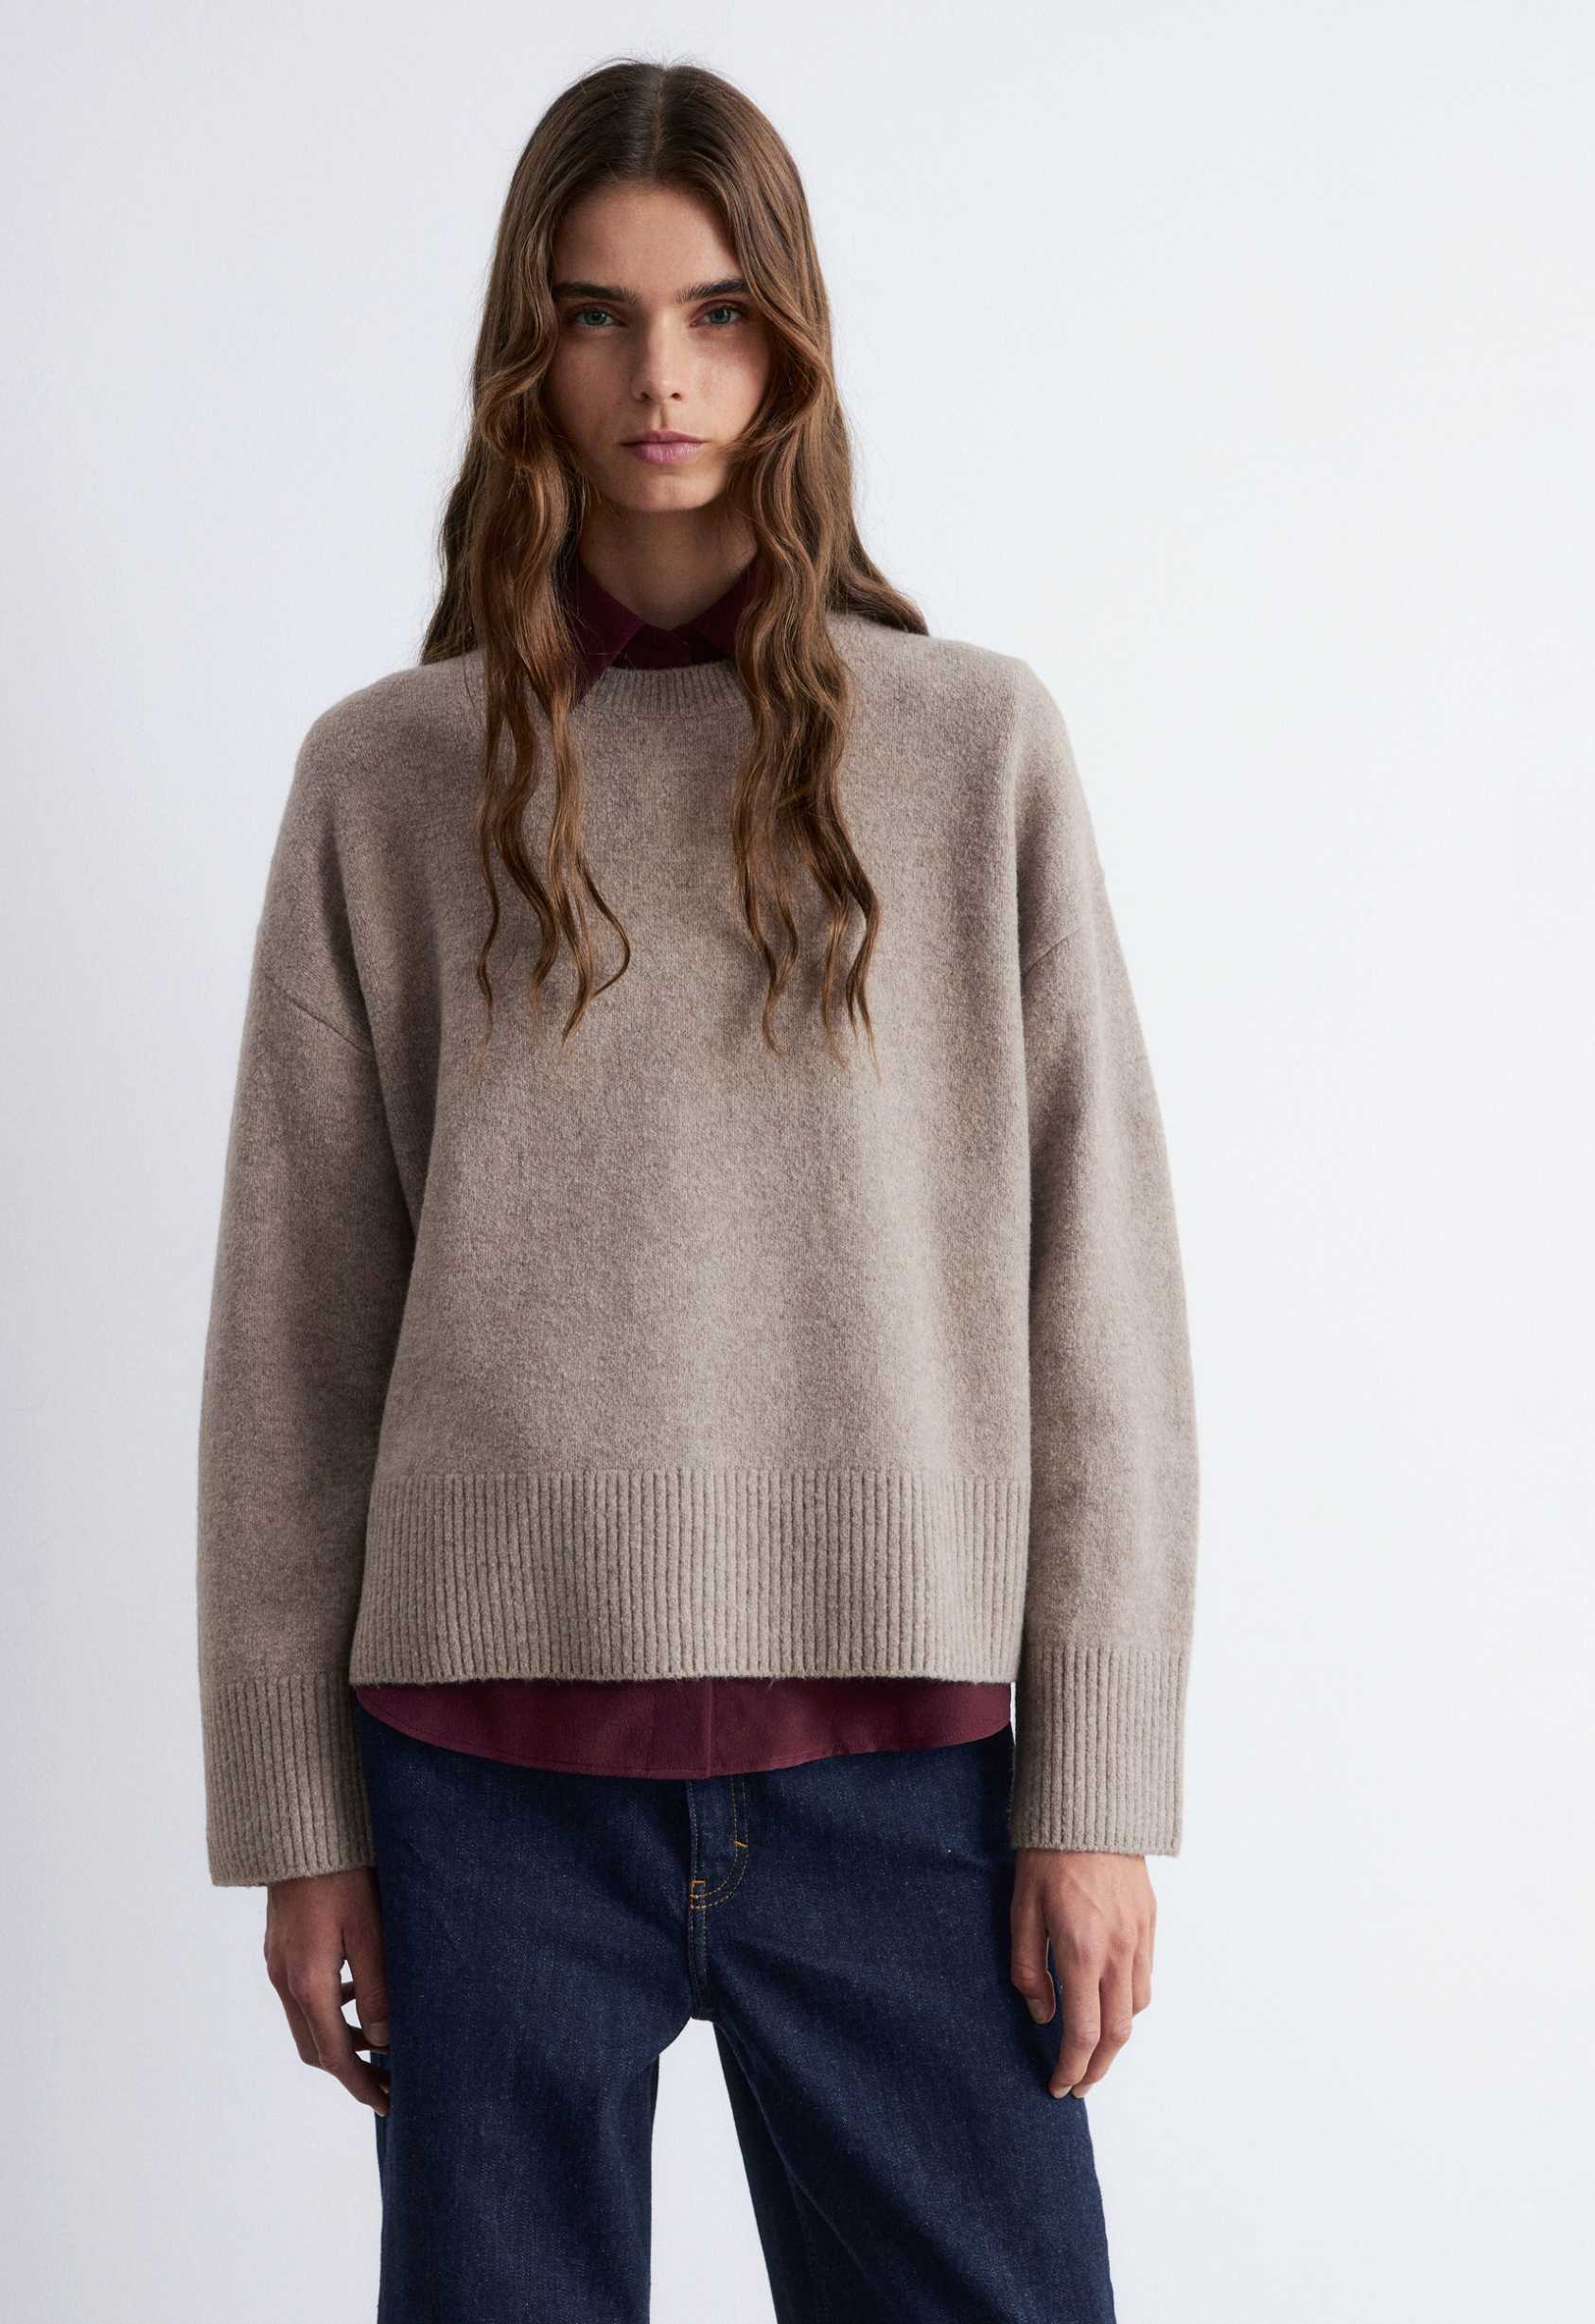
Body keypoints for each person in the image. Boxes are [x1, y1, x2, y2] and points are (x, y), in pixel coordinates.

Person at [195, 57, 1200, 2322]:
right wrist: (297, 1819)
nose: (663, 374)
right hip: (482, 1786)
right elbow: (295, 1337)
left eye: (720, 311)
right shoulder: (385, 781)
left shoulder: (972, 749)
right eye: (601, 313)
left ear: (792, 339)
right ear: (524, 349)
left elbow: (1099, 1301)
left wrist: (1097, 1784)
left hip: (910, 1781)